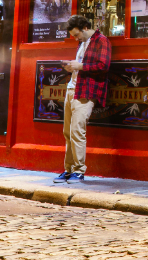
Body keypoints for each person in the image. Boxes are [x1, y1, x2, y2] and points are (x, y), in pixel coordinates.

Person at [54, 14, 111, 183]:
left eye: (77, 35)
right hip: (72, 89)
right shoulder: (82, 42)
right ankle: (68, 169)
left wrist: (80, 66)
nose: (75, 38)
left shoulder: (102, 41)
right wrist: (72, 66)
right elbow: (82, 65)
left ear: (85, 28)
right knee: (67, 132)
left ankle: (79, 171)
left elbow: (103, 65)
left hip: (86, 91)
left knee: (77, 131)